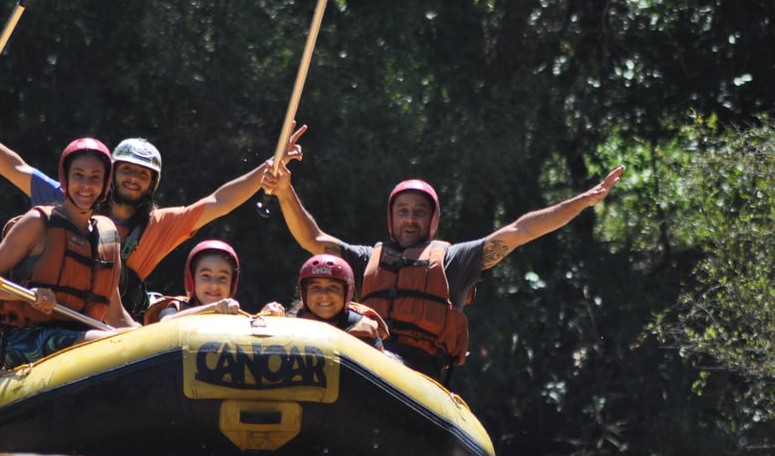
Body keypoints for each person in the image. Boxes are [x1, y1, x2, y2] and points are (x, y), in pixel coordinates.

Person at [261, 163, 626, 381]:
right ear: (391, 218)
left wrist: (583, 200)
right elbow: (313, 239)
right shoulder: (367, 257)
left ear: (432, 220)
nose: (410, 218)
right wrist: (284, 191)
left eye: (419, 211)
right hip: (366, 357)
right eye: (402, 210)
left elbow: (520, 231)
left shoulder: (454, 261)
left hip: (420, 373)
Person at [0, 95, 304, 319]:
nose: (133, 179)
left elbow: (219, 201)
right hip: (54, 311)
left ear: (153, 184)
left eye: (143, 175)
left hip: (114, 316)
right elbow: (14, 167)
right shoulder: (74, 197)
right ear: (111, 175)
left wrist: (267, 168)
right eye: (126, 171)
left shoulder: (160, 224)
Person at [0, 137, 137, 369]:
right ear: (65, 179)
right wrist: (28, 294)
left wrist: (153, 337)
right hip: (27, 339)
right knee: (108, 343)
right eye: (78, 175)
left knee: (126, 342)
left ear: (104, 186)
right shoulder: (38, 223)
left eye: (95, 178)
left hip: (84, 336)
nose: (86, 185)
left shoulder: (106, 236)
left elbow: (117, 316)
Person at [143, 239, 284, 323]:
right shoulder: (175, 308)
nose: (214, 284)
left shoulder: (235, 316)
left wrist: (271, 317)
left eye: (223, 278)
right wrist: (213, 308)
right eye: (205, 275)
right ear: (192, 280)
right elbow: (165, 323)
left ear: (232, 284)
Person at [294, 254, 388, 351]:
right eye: (315, 287)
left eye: (333, 287)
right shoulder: (289, 324)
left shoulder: (366, 331)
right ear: (304, 293)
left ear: (348, 292)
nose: (324, 295)